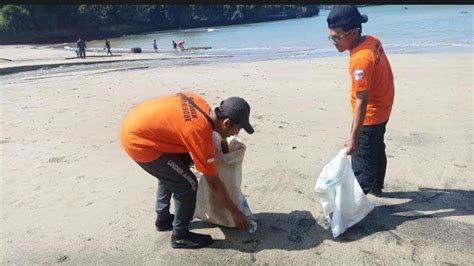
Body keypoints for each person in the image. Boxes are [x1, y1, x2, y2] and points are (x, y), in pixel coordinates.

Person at [120, 91, 254, 249]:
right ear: (226, 123)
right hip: (139, 142)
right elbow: (214, 183)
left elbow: (182, 124)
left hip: (138, 123)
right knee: (187, 185)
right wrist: (235, 212)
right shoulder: (199, 131)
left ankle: (163, 220)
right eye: (238, 129)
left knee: (174, 172)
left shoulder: (199, 102)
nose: (236, 134)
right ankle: (180, 236)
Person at [326, 5, 395, 197]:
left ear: (354, 33)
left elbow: (361, 102)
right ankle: (376, 186)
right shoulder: (372, 40)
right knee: (377, 147)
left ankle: (360, 203)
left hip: (371, 114)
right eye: (330, 36)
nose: (333, 42)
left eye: (337, 37)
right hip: (384, 106)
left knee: (361, 158)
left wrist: (354, 137)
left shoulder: (361, 61)